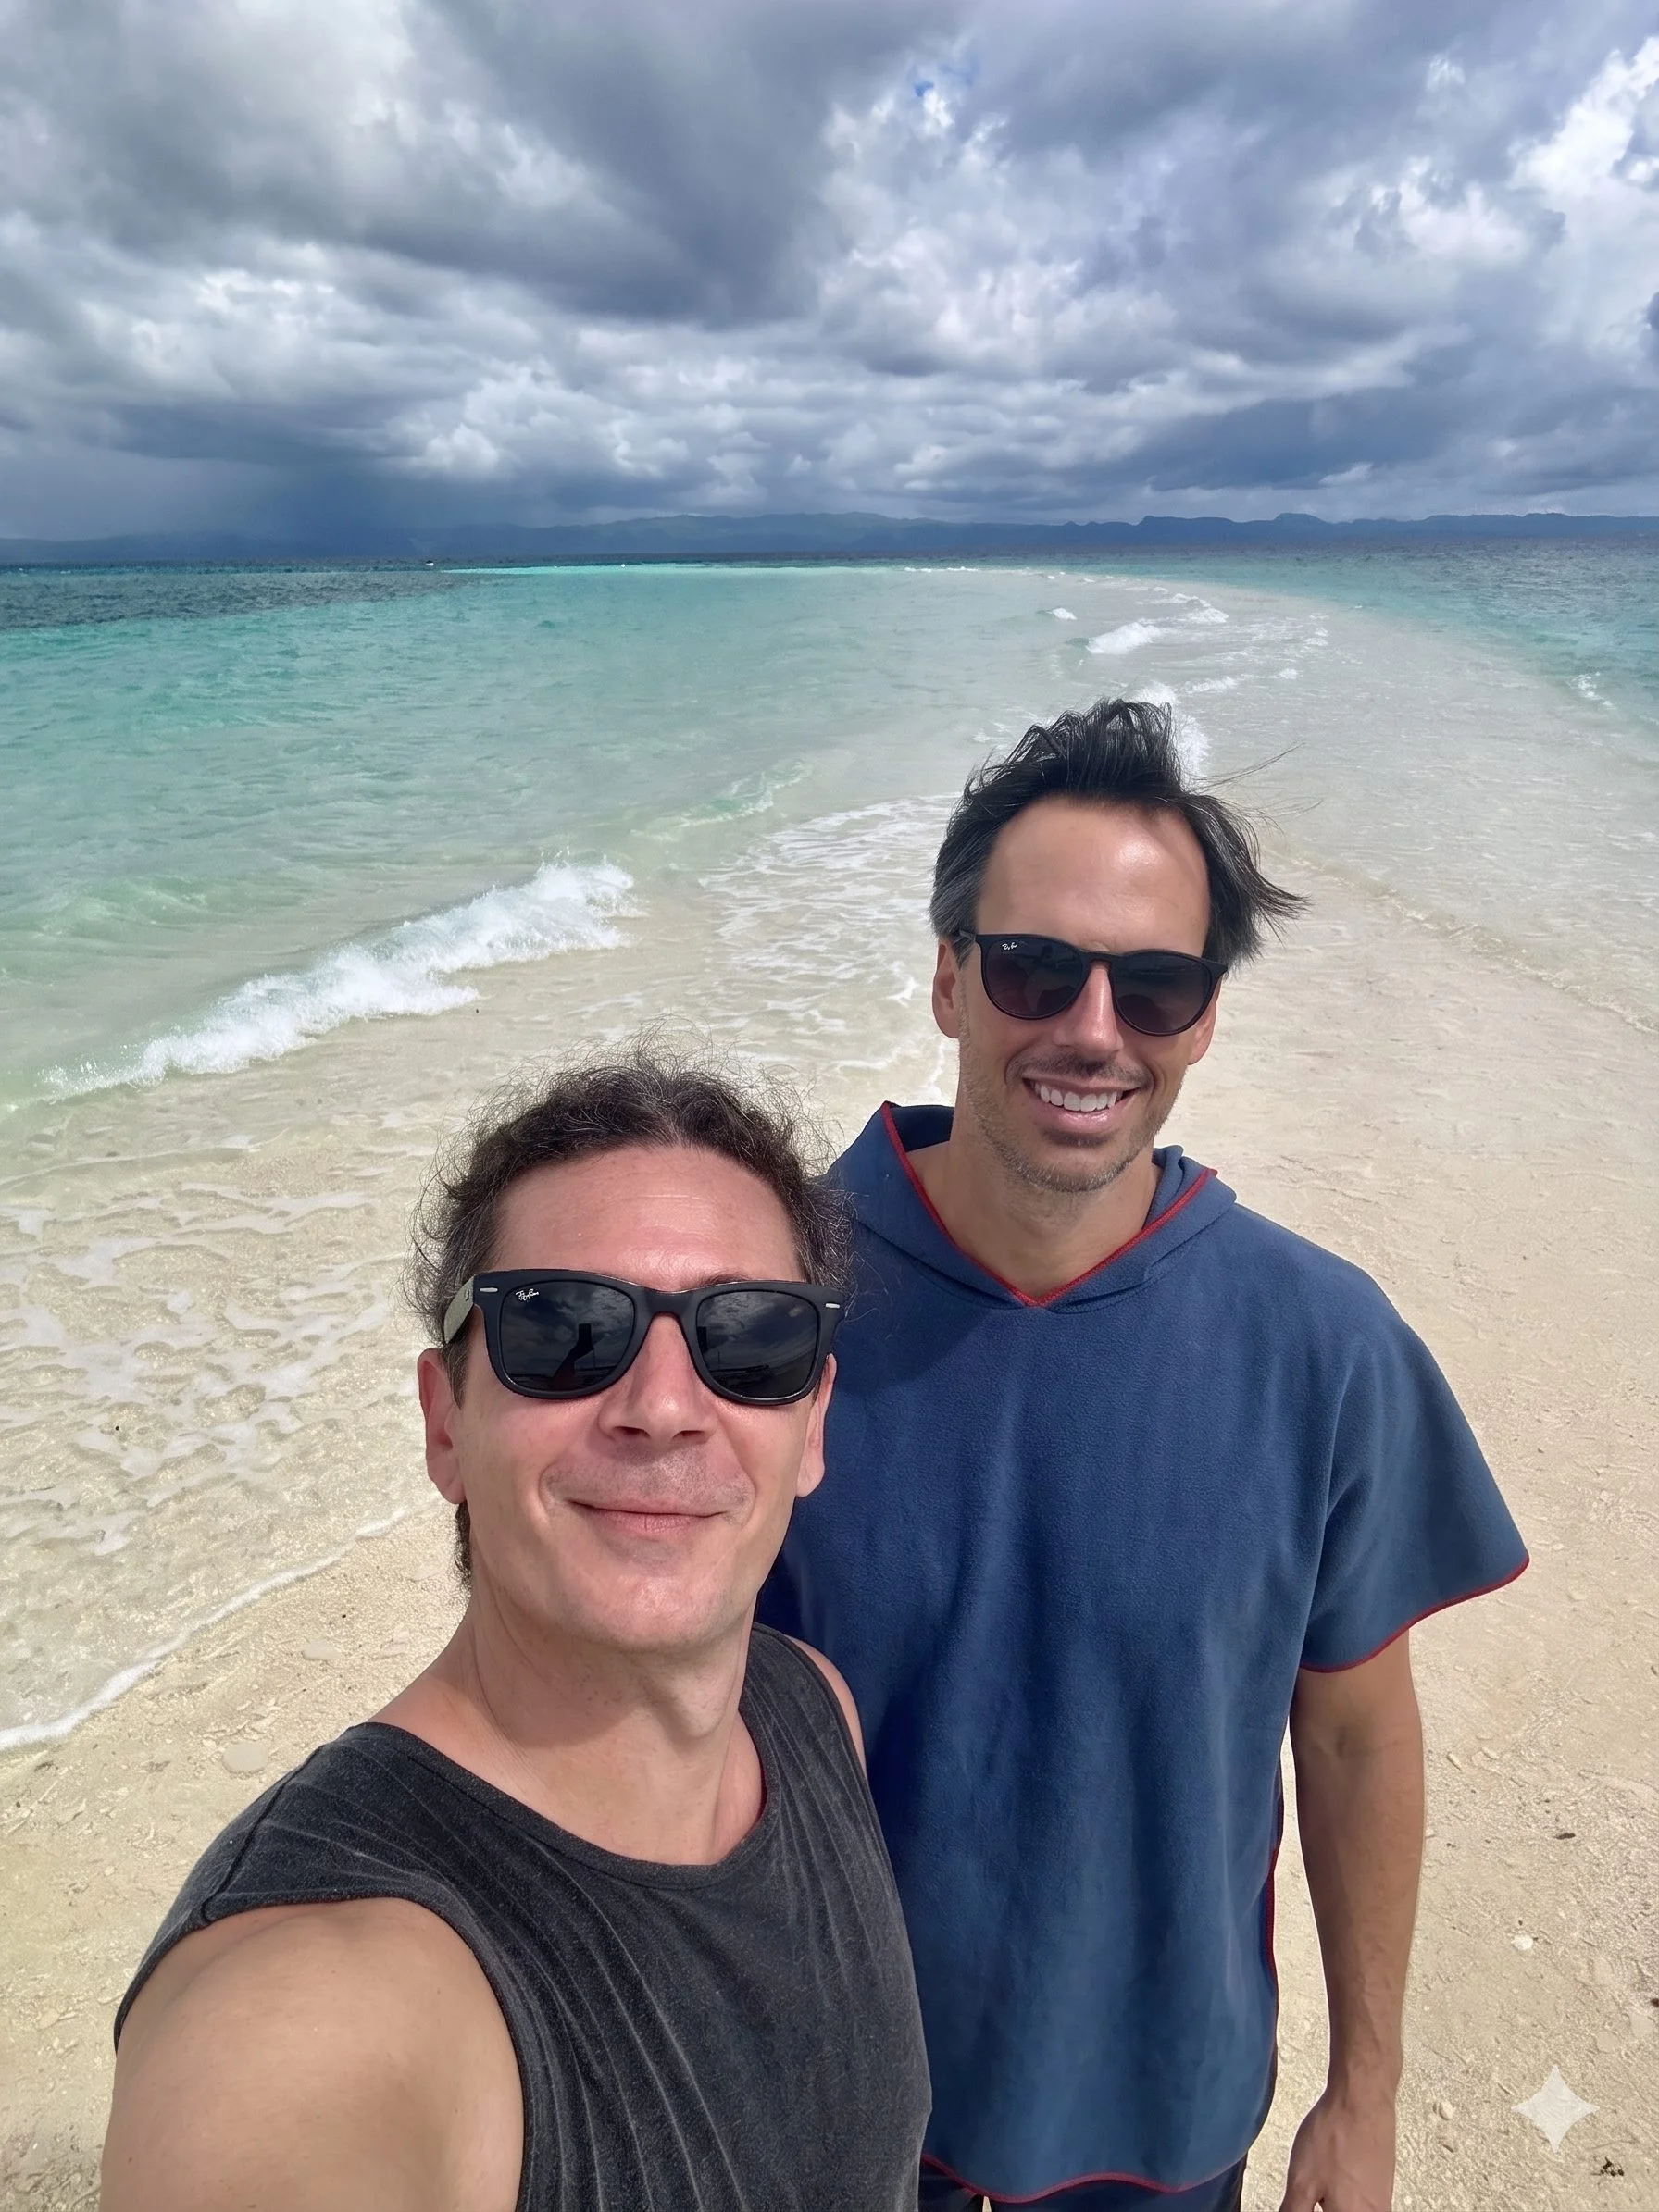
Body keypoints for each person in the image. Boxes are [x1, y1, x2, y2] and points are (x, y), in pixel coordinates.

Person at [759, 700, 1528, 2212]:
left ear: (1204, 1017)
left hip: (1164, 2134)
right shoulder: (761, 1312)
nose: (1091, 1030)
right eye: (1035, 968)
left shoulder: (1318, 1345)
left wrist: (1361, 2097)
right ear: (946, 980)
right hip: (813, 2125)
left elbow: (1358, 1738)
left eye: (1156, 984)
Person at [105, 1054, 931, 2212]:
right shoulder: (313, 1995)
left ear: (812, 1425)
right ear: (446, 1422)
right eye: (564, 1329)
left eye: (747, 1338)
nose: (661, 1405)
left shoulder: (809, 1710)